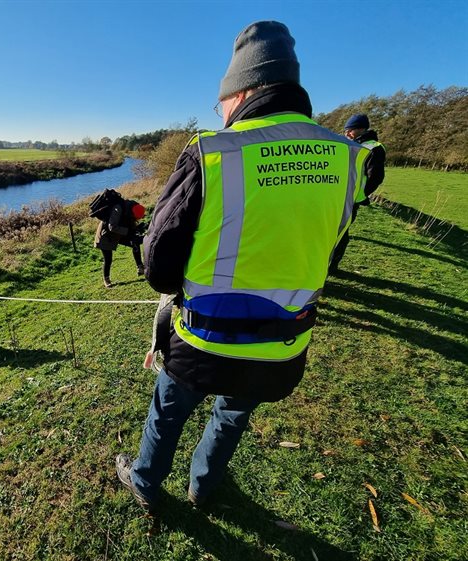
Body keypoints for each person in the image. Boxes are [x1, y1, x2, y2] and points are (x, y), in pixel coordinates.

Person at [115, 20, 369, 511]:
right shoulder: (350, 157)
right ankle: (204, 484)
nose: (222, 113)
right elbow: (329, 241)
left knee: (168, 413)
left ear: (242, 90)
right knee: (233, 415)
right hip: (283, 341)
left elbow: (159, 261)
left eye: (221, 103)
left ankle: (146, 483)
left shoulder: (213, 151)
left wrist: (178, 287)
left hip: (203, 338)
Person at [329, 113, 387, 273]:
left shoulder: (374, 148)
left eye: (350, 130)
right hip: (338, 195)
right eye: (346, 130)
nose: (346, 133)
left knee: (341, 232)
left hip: (352, 198)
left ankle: (332, 265)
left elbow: (375, 176)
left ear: (362, 129)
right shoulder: (349, 144)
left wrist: (360, 194)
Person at [94, 199, 146, 288]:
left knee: (135, 242)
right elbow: (112, 227)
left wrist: (137, 228)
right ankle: (106, 279)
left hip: (119, 233)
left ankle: (140, 267)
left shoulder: (130, 208)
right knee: (108, 259)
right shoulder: (118, 209)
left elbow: (128, 223)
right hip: (106, 235)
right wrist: (129, 231)